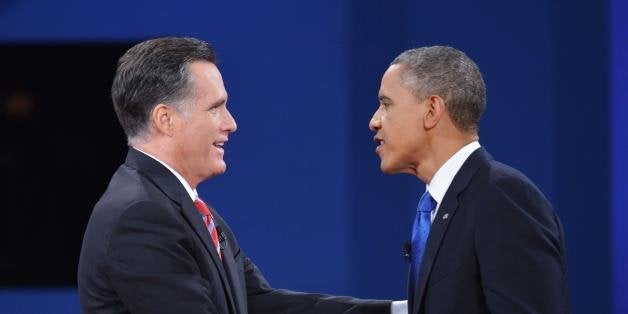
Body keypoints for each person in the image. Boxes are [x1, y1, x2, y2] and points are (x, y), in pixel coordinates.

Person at [78, 37, 402, 314]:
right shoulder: (141, 215)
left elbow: (257, 303)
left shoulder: (180, 207)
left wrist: (395, 311)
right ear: (166, 119)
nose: (230, 123)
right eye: (215, 107)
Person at [369, 46, 570, 314]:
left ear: (431, 110)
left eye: (386, 104)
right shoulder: (441, 205)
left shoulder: (502, 195)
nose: (374, 121)